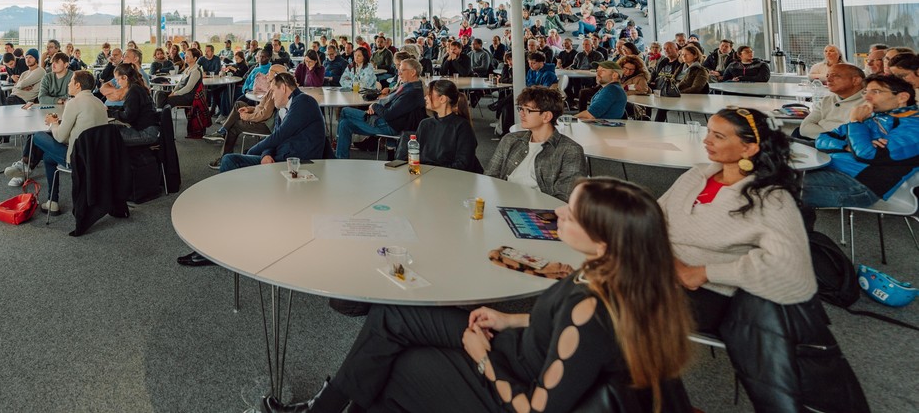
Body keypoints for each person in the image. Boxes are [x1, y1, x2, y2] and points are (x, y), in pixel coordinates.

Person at [265, 176, 693, 413]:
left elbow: (535, 408)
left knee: (400, 366)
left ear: (603, 237)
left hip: (513, 379)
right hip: (520, 346)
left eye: (572, 213)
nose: (559, 213)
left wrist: (482, 357)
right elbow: (564, 327)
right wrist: (511, 319)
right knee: (394, 315)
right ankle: (326, 409)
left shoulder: (591, 312)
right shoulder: (615, 274)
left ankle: (323, 411)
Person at [659, 107, 815, 333]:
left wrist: (703, 273)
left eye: (718, 136)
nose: (706, 140)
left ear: (748, 148)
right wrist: (673, 265)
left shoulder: (770, 199)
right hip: (660, 270)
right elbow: (651, 219)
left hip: (707, 293)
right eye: (709, 131)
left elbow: (792, 272)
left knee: (605, 308)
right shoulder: (696, 175)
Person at [802, 74, 918, 216]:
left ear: (902, 97)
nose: (867, 97)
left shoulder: (913, 127)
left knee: (780, 188)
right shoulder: (875, 117)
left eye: (875, 92)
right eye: (866, 92)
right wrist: (847, 146)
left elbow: (868, 154)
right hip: (831, 169)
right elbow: (823, 138)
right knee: (779, 164)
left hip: (859, 186)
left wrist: (856, 122)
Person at [7, 70, 109, 215]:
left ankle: (27, 165)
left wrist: (53, 123)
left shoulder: (74, 103)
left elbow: (61, 138)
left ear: (78, 85)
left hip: (76, 159)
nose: (68, 84)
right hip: (95, 157)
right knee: (48, 158)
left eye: (71, 81)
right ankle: (52, 202)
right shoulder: (99, 103)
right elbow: (82, 132)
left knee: (37, 136)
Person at [214, 71, 327, 176]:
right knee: (229, 159)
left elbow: (280, 135)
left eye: (273, 91)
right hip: (280, 159)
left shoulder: (303, 102)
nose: (272, 96)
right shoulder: (283, 108)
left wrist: (252, 151)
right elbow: (274, 136)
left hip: (297, 165)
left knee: (232, 160)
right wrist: (266, 154)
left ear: (283, 88)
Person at [484, 86, 585, 201]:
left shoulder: (570, 151)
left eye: (528, 110)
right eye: (521, 109)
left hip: (539, 213)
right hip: (503, 202)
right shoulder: (510, 139)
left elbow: (564, 198)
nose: (521, 114)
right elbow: (490, 177)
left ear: (546, 116)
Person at [336, 59, 425, 159]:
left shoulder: (411, 93)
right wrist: (377, 107)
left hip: (391, 126)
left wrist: (374, 106)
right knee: (344, 124)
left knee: (345, 111)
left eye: (402, 70)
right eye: (399, 70)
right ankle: (340, 159)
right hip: (388, 121)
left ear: (413, 72)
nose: (399, 73)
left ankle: (337, 143)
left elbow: (388, 114)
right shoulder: (409, 87)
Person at [205, 64, 289, 168]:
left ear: (277, 75)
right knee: (239, 104)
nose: (267, 74)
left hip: (266, 125)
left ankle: (224, 158)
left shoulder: (276, 91)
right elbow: (261, 108)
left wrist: (247, 117)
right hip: (262, 118)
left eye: (270, 72)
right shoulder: (273, 86)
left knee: (235, 126)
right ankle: (222, 131)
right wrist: (249, 109)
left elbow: (265, 115)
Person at [413, 79, 481, 172]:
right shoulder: (424, 124)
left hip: (452, 178)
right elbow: (415, 155)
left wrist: (432, 172)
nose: (425, 97)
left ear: (442, 99)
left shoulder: (462, 127)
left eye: (429, 94)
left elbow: (463, 164)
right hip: (428, 176)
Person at [797, 63, 866, 140]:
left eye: (835, 76)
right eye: (827, 76)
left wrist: (819, 129)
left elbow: (849, 135)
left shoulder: (868, 103)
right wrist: (834, 137)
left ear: (856, 80)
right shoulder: (826, 101)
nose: (828, 80)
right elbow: (804, 128)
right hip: (822, 143)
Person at [112, 63, 160, 146]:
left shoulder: (133, 91)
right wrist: (111, 109)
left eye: (117, 79)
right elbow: (128, 108)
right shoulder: (137, 87)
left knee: (110, 136)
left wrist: (110, 113)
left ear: (125, 77)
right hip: (151, 130)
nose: (117, 82)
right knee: (113, 130)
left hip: (147, 133)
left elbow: (128, 117)